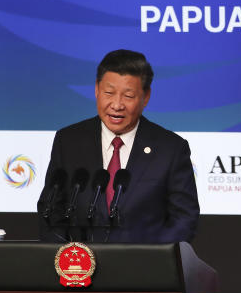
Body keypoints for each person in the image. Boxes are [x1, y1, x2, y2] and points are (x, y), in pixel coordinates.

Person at [37, 49, 199, 243]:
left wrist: (156, 259)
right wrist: (71, 262)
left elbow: (184, 218)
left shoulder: (170, 149)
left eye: (128, 96)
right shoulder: (69, 140)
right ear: (97, 89)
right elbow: (52, 208)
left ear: (145, 96)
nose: (116, 104)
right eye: (109, 93)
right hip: (81, 268)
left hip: (145, 268)